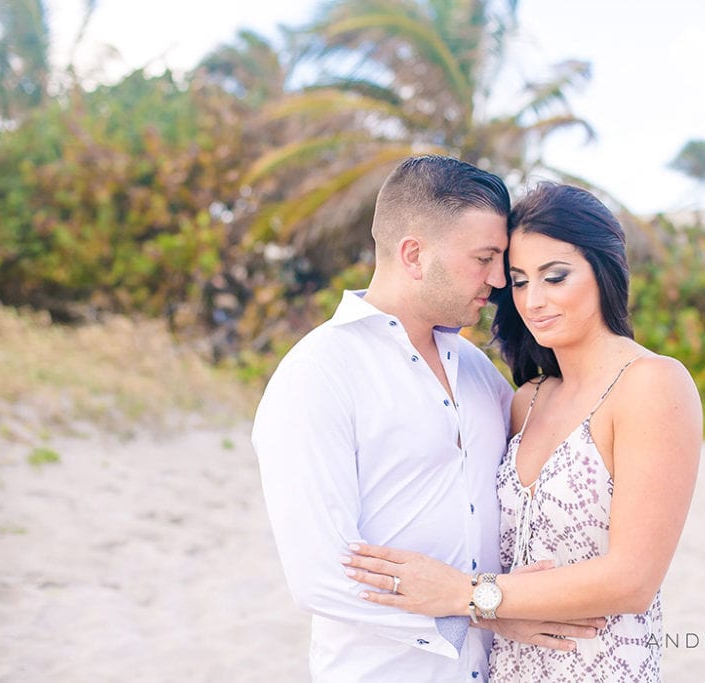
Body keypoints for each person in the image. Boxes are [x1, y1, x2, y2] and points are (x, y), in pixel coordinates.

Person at [252, 157, 604, 682]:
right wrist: (485, 613)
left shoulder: (477, 371)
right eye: (484, 258)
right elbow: (319, 577)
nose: (497, 281)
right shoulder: (318, 373)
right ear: (413, 255)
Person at [342, 182, 702, 681]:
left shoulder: (652, 385)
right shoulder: (527, 400)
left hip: (601, 666)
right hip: (506, 667)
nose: (534, 301)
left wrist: (463, 593)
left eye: (555, 277)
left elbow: (634, 578)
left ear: (604, 271)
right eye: (519, 280)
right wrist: (484, 608)